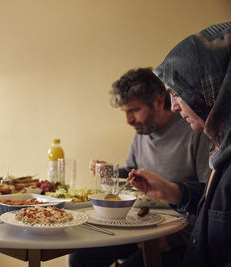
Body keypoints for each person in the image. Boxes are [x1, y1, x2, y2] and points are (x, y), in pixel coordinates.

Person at [70, 68, 212, 267]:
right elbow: (133, 174)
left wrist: (174, 239)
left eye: (134, 110)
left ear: (158, 102)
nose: (128, 120)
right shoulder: (142, 133)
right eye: (125, 112)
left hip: (180, 236)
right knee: (80, 258)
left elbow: (209, 198)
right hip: (141, 226)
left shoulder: (194, 131)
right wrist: (109, 172)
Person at [129, 21, 231, 267]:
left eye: (177, 93)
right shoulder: (221, 148)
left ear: (212, 88)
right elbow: (216, 208)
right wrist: (170, 190)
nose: (173, 106)